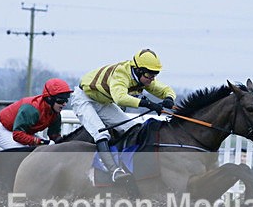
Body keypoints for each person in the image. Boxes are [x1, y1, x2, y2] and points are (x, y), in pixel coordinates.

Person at [70, 49, 176, 183]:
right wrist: (148, 104)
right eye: (150, 74)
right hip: (83, 99)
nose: (152, 78)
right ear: (138, 70)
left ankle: (126, 163)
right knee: (101, 133)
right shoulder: (121, 73)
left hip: (103, 102)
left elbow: (165, 89)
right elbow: (120, 98)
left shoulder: (144, 77)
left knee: (132, 128)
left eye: (155, 74)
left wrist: (169, 98)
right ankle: (114, 170)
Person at [0, 78, 73, 149]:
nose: (64, 104)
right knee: (23, 153)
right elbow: (17, 135)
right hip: (6, 131)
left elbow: (54, 136)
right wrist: (41, 142)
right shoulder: (32, 109)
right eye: (61, 101)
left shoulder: (56, 114)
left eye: (66, 100)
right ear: (49, 99)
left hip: (23, 132)